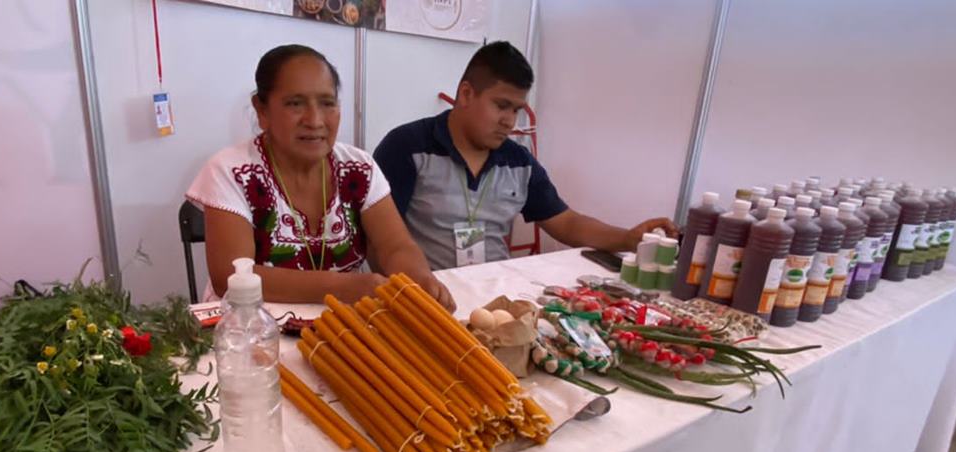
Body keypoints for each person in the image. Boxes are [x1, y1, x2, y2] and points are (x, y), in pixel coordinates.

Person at [186, 45, 454, 309]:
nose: (315, 120)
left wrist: (419, 278)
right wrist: (342, 287)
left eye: (327, 103)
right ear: (262, 110)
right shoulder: (231, 171)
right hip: (251, 326)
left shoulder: (358, 168)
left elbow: (395, 245)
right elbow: (230, 277)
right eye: (295, 104)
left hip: (345, 324)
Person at [374, 41, 679, 271]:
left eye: (517, 110)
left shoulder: (519, 162)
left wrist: (629, 238)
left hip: (494, 298)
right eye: (501, 106)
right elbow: (377, 243)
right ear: (466, 94)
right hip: (424, 297)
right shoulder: (406, 147)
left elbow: (567, 223)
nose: (510, 121)